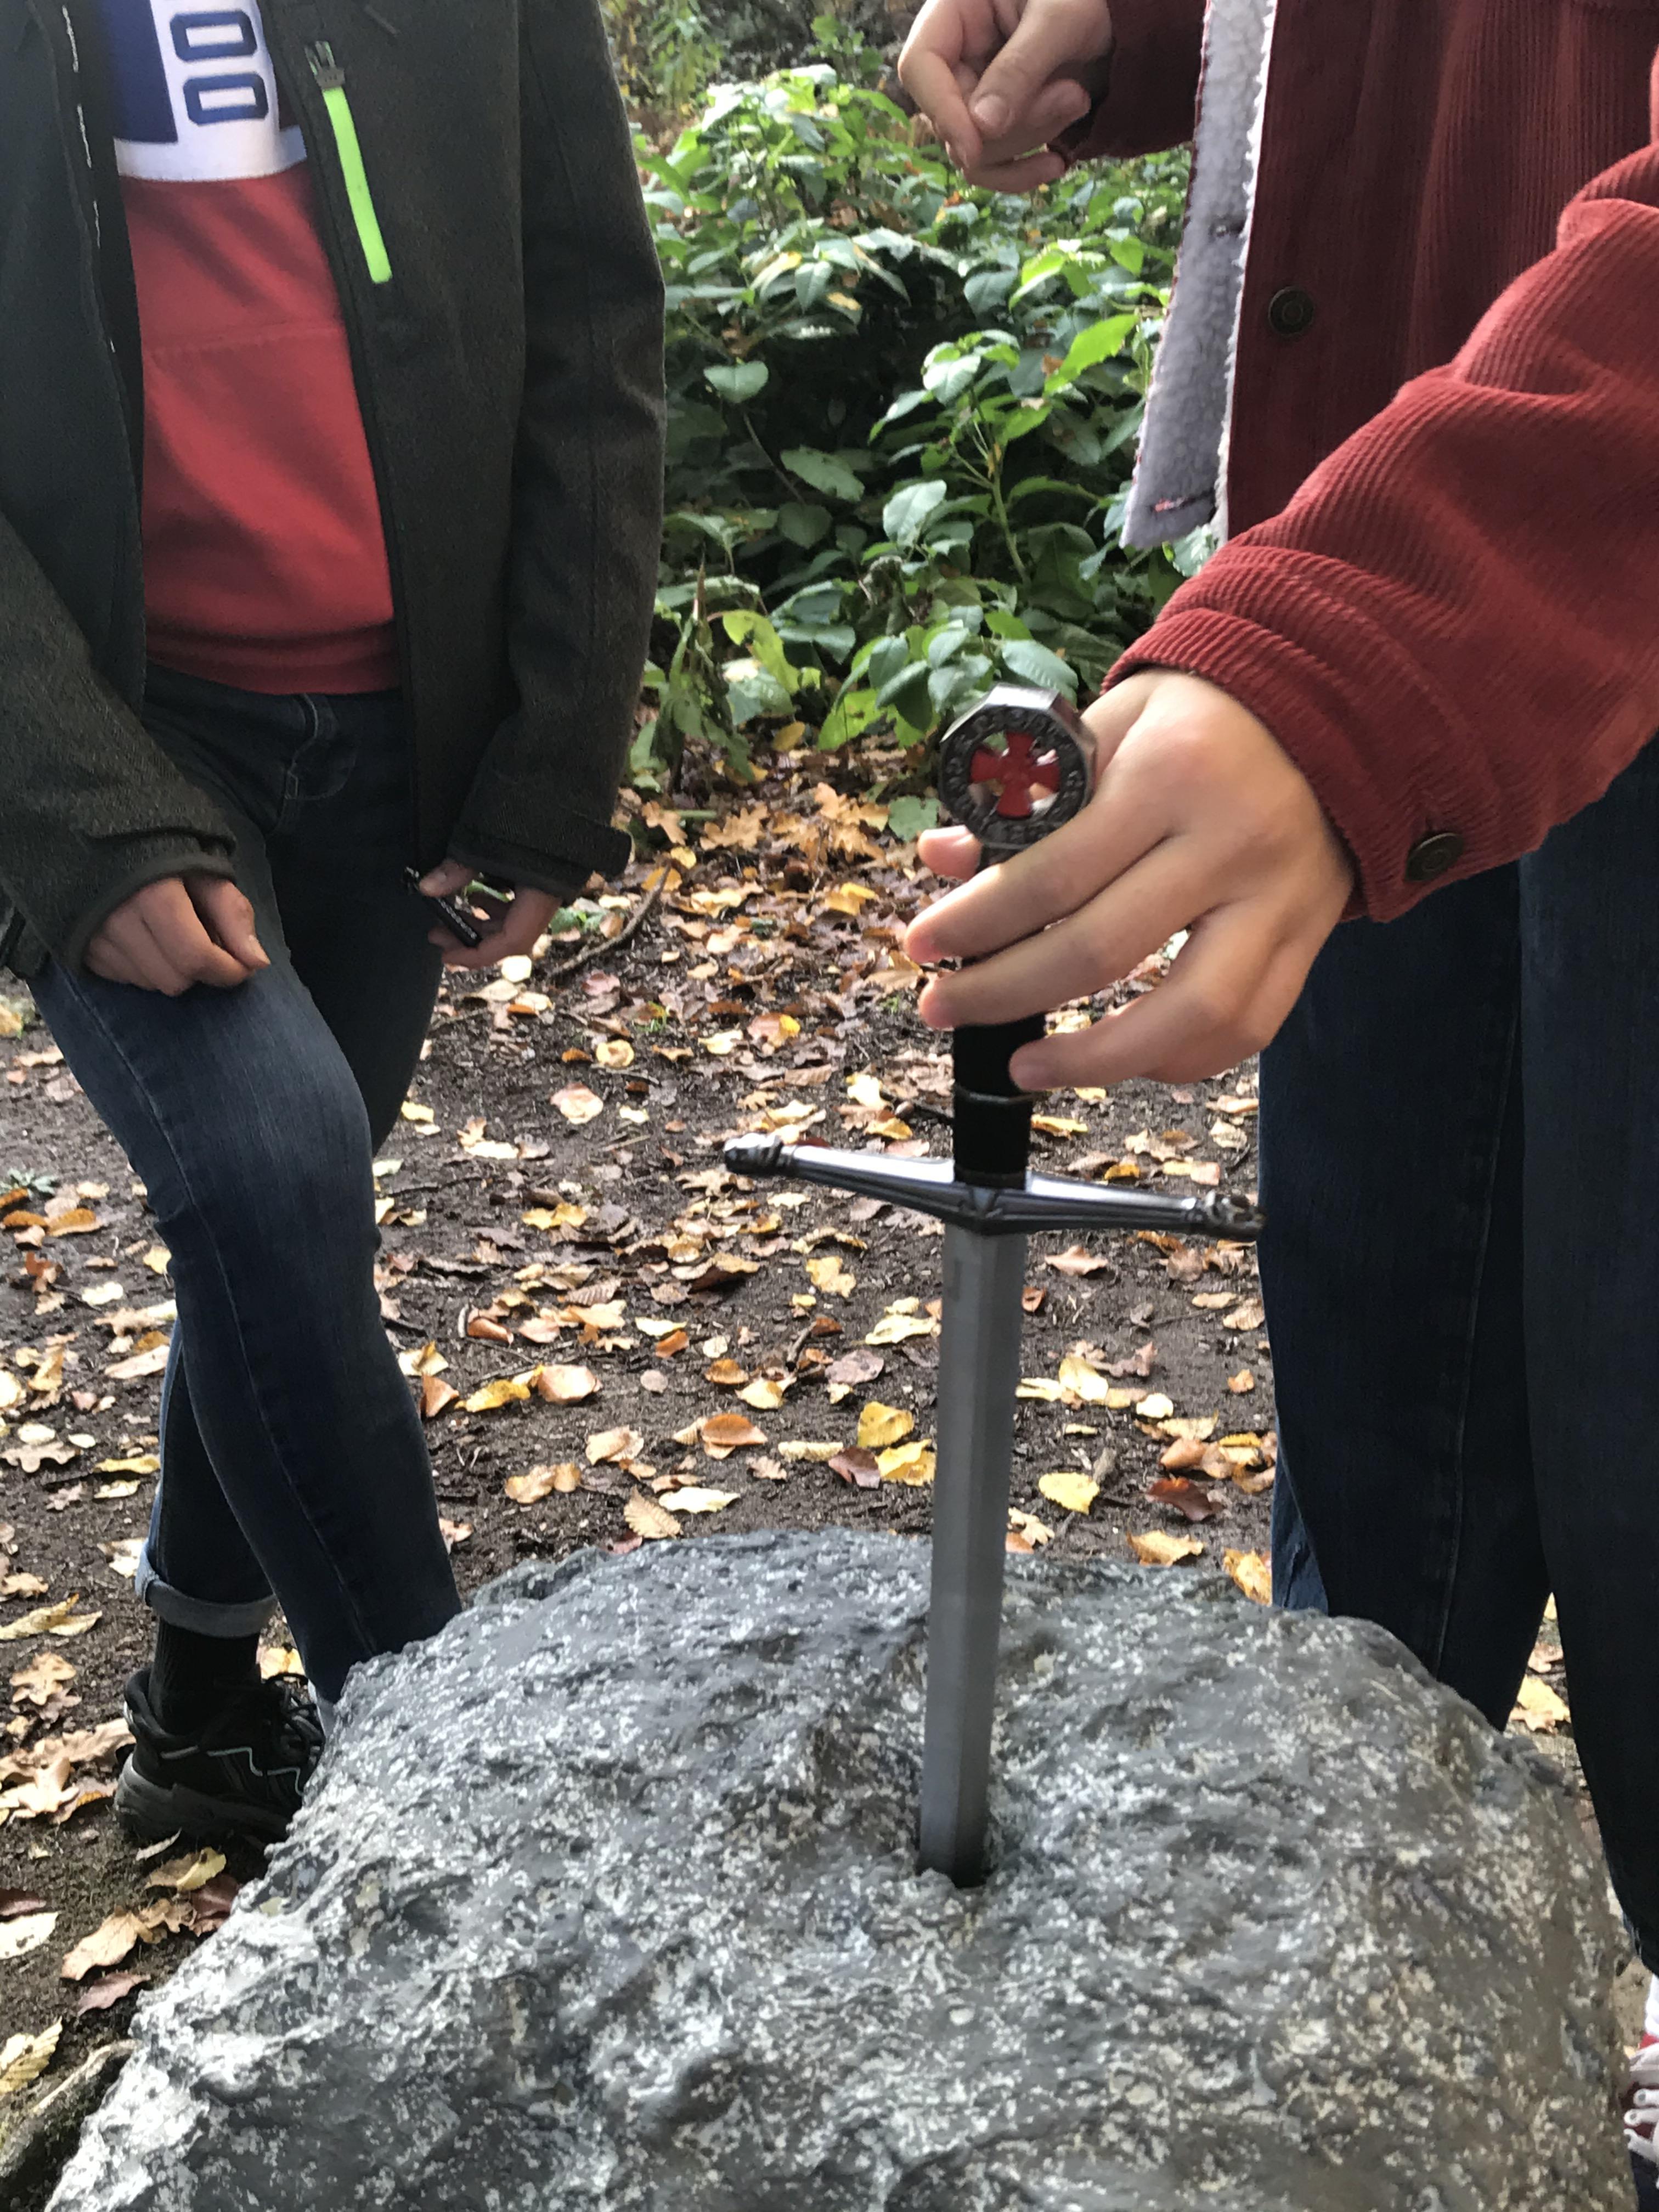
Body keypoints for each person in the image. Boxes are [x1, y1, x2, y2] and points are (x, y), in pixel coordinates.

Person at [898, 0, 1659, 2196]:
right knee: (1380, 1405)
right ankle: (1363, 2017)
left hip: (1547, 520)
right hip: (1405, 462)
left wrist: (1366, 652)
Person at [0, 0, 663, 1843]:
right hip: (122, 726)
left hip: (403, 730)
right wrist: (81, 815)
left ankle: (201, 1715)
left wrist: (552, 753)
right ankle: (452, 1811)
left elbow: (593, 321)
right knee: (276, 1170)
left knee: (288, 1231)